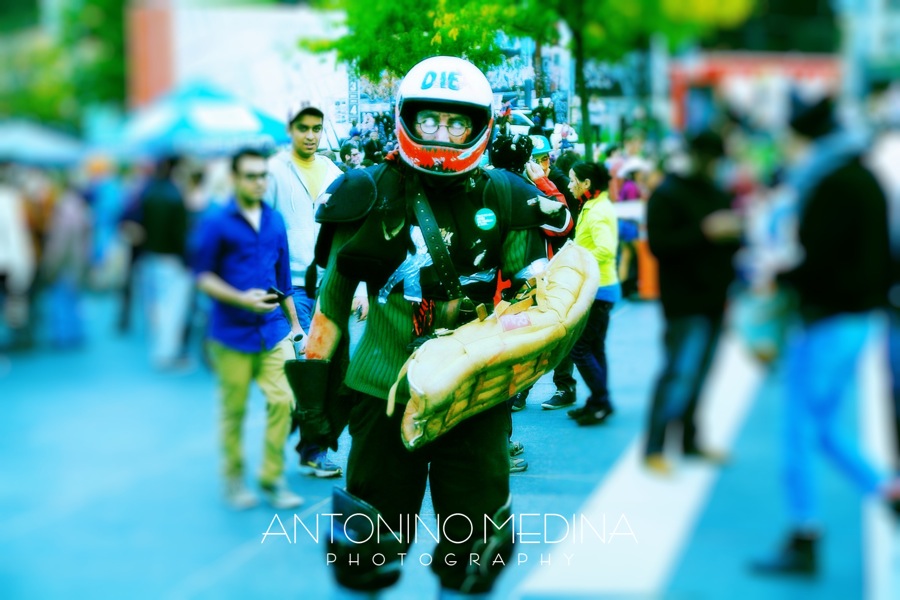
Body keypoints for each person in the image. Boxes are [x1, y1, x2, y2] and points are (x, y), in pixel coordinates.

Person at [302, 56, 570, 598]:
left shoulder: (509, 195)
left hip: (472, 394)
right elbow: (329, 311)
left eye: (456, 123)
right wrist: (312, 410)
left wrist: (532, 336)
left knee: (476, 550)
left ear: (479, 126)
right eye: (430, 122)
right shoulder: (362, 194)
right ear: (407, 118)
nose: (442, 135)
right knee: (364, 547)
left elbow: (536, 296)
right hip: (382, 391)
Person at [752, 93, 899, 576]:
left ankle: (804, 535)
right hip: (861, 319)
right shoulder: (867, 179)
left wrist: (780, 276)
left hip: (827, 320)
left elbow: (819, 262)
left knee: (799, 429)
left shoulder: (829, 184)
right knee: (828, 425)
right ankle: (887, 489)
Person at [192, 148, 305, 511]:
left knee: (284, 400)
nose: (258, 182)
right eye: (251, 176)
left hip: (273, 329)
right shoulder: (216, 222)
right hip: (232, 333)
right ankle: (233, 477)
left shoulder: (275, 222)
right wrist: (240, 299)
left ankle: (272, 477)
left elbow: (284, 279)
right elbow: (203, 276)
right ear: (236, 179)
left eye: (263, 175)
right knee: (235, 410)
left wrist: (296, 324)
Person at [643, 129, 742, 475]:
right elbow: (659, 245)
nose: (714, 166)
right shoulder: (667, 194)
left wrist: (735, 233)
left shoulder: (718, 192)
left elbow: (730, 243)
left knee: (701, 375)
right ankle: (655, 446)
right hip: (683, 302)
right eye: (710, 159)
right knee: (678, 373)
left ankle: (689, 440)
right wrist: (705, 231)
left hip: (715, 299)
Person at [264, 104, 346, 478]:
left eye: (317, 128)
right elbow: (262, 229)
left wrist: (356, 287)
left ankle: (310, 439)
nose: (311, 135)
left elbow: (346, 232)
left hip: (329, 284)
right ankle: (313, 449)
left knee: (332, 372)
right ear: (290, 129)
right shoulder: (273, 172)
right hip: (291, 286)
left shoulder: (334, 172)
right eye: (303, 128)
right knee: (311, 369)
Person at [565, 161, 620, 426]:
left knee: (580, 349)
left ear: (587, 184)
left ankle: (602, 400)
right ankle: (598, 401)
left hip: (598, 290)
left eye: (573, 179)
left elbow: (606, 249)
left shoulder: (597, 211)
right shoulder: (595, 205)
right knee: (595, 347)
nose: (569, 184)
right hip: (603, 288)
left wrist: (578, 259)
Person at [138, 156, 193, 371]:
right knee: (173, 308)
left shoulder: (148, 192)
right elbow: (180, 234)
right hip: (173, 259)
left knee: (157, 308)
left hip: (151, 256)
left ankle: (160, 351)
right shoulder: (174, 196)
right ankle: (167, 353)